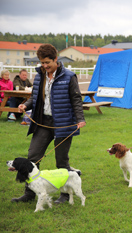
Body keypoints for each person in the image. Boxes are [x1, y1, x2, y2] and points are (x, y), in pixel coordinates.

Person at [12, 44, 86, 204]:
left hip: (64, 124)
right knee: (32, 157)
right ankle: (30, 192)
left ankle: (65, 195)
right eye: (42, 63)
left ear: (55, 59)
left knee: (61, 161)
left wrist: (80, 119)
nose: (45, 66)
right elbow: (35, 97)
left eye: (47, 63)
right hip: (42, 123)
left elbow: (76, 99)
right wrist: (26, 105)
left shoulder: (69, 76)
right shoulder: (39, 76)